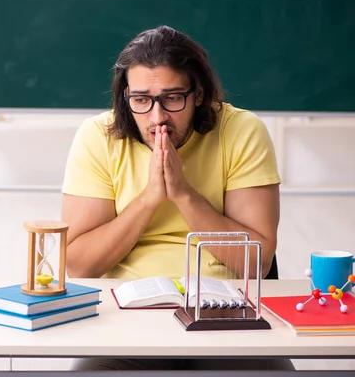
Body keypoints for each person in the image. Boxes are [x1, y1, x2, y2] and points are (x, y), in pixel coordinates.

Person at [60, 25, 294, 371]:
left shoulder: (243, 131)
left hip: (226, 318)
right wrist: (149, 200)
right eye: (141, 100)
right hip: (124, 321)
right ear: (125, 96)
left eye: (172, 98)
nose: (158, 118)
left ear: (198, 93)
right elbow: (79, 264)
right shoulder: (98, 137)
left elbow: (255, 263)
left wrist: (184, 194)